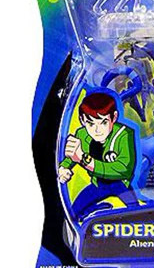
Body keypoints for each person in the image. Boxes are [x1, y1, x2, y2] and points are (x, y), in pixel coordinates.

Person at [58, 92, 137, 221]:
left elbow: (124, 169)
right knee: (73, 213)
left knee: (136, 213)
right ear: (82, 120)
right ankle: (97, 210)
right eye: (91, 124)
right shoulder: (82, 134)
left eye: (103, 123)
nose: (97, 130)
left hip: (120, 185)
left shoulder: (124, 134)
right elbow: (72, 157)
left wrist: (83, 159)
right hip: (98, 184)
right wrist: (64, 167)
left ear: (114, 117)